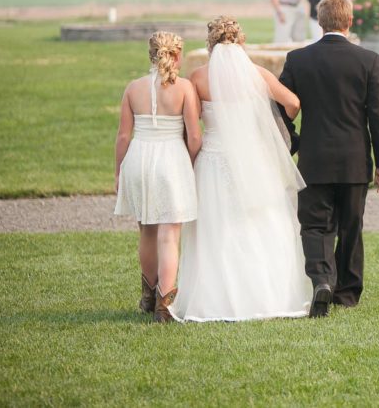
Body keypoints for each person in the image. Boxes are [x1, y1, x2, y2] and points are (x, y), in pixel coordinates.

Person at [169, 18, 310, 323]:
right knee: (262, 224)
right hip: (256, 159)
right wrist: (276, 125)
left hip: (214, 160)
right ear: (240, 42)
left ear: (211, 44)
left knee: (216, 229)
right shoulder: (257, 74)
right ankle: (270, 295)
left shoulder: (197, 78)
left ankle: (214, 301)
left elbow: (191, 127)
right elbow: (293, 102)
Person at [280, 0, 379, 315]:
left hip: (313, 160)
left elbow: (279, 111)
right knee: (351, 227)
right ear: (350, 21)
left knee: (315, 226)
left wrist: (296, 142)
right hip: (355, 161)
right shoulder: (368, 60)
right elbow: (378, 116)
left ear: (320, 21)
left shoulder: (298, 60)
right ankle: (347, 292)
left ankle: (321, 281)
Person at [114, 32, 200, 323]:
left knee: (147, 230)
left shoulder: (133, 88)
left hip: (138, 159)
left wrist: (119, 171)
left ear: (151, 54)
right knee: (169, 234)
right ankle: (165, 304)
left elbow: (124, 135)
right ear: (176, 56)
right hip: (170, 160)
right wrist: (190, 163)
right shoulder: (185, 88)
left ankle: (148, 296)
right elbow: (195, 135)